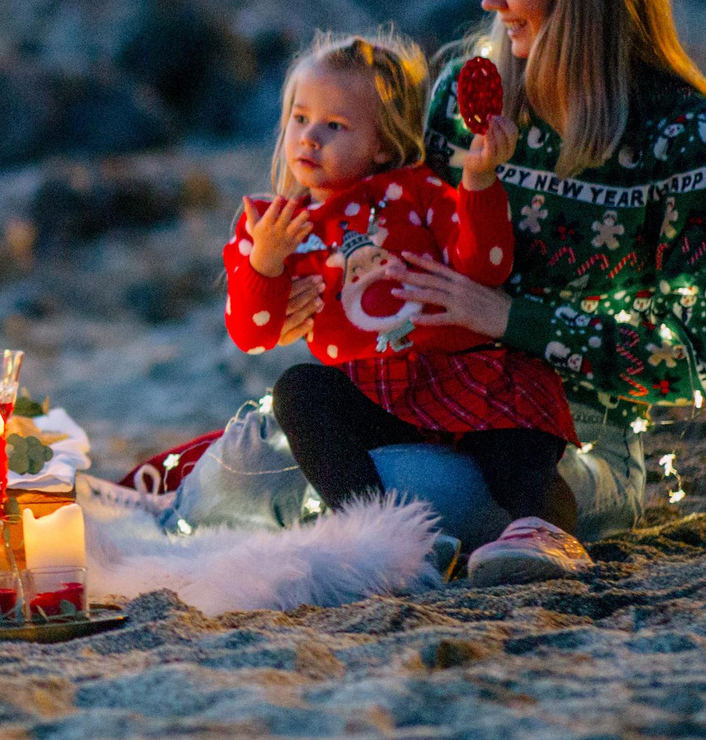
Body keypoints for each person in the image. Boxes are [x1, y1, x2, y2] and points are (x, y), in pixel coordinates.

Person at [374, 0, 706, 581]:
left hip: (579, 440)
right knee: (278, 437)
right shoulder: (463, 89)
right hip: (438, 402)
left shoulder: (684, 131)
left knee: (417, 495)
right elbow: (412, 247)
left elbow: (700, 354)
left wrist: (513, 318)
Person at [227, 31, 580, 582]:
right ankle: (382, 534)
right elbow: (254, 332)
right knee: (298, 391)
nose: (310, 138)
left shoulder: (413, 192)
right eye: (300, 119)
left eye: (335, 126)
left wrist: (479, 180)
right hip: (372, 393)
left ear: (383, 145)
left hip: (457, 373)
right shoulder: (274, 225)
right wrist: (265, 265)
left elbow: (483, 267)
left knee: (519, 429)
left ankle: (544, 532)